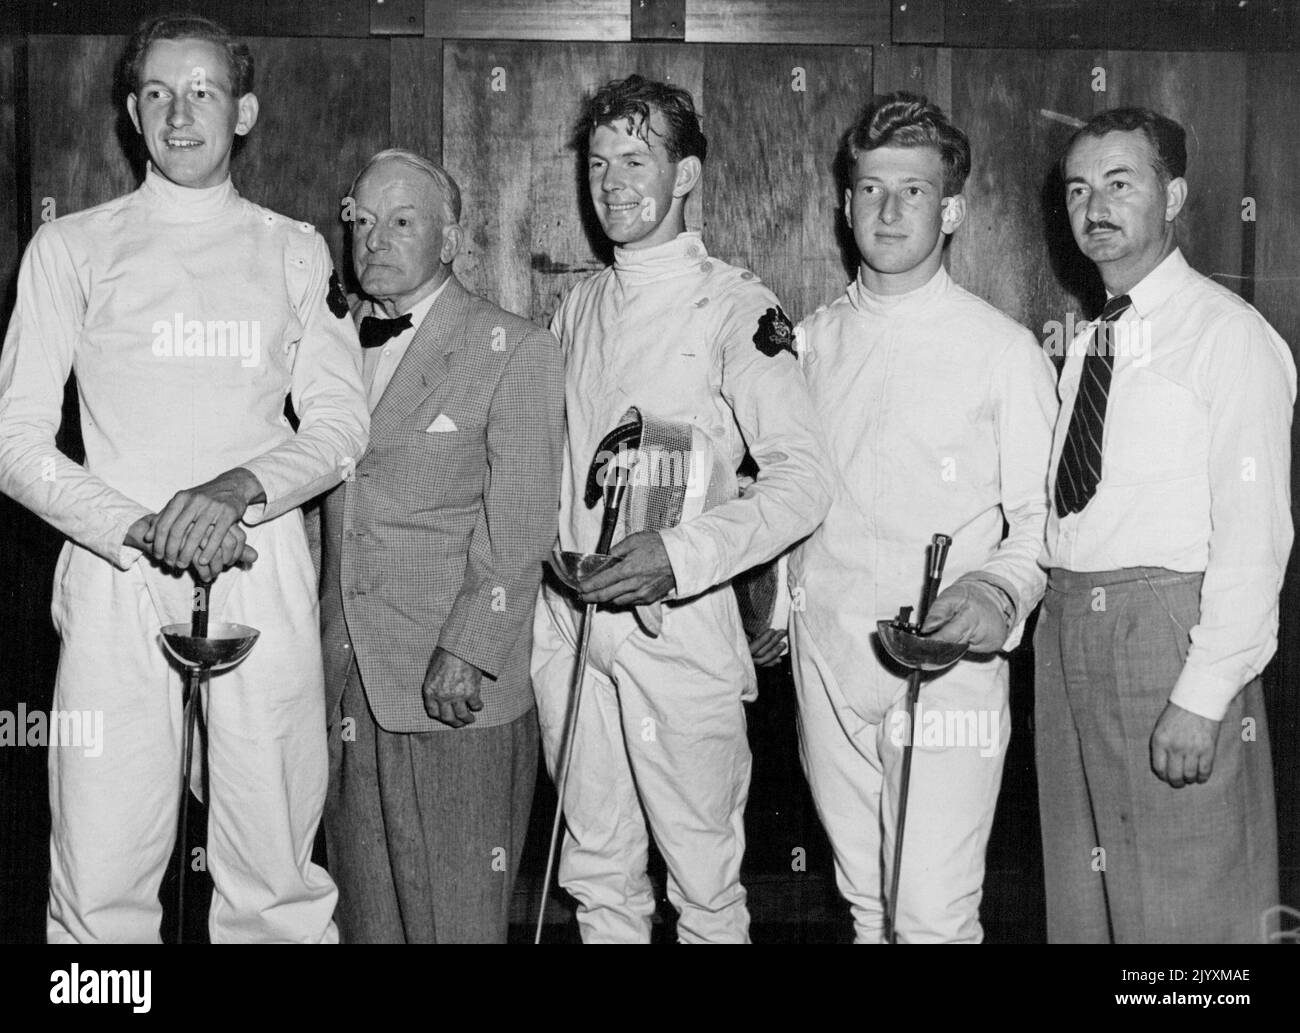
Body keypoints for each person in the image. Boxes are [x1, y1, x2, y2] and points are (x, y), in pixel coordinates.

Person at [0, 14, 369, 943]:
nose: (179, 113)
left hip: (256, 566)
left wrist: (234, 490)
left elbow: (339, 427)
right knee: (100, 864)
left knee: (274, 867)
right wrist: (137, 526)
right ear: (131, 112)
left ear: (242, 111)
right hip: (116, 573)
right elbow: (15, 443)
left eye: (202, 91)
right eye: (158, 93)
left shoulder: (294, 248)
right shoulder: (71, 249)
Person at [530, 74, 833, 944]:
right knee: (598, 878)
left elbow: (803, 480)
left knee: (703, 884)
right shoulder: (577, 304)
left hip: (683, 628)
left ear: (687, 175)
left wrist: (678, 555)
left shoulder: (740, 306)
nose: (614, 181)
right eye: (599, 163)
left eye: (637, 158)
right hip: (573, 628)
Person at [785, 93, 1057, 943]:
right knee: (866, 905)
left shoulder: (1001, 349)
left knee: (932, 916)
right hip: (827, 659)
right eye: (871, 188)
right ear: (844, 203)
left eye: (912, 190)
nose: (889, 209)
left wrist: (996, 595)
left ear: (951, 210)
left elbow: (1041, 518)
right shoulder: (809, 342)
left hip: (947, 669)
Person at [1037, 107, 1293, 943]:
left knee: (1190, 917)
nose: (1094, 205)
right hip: (1070, 625)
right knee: (1088, 901)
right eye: (1079, 188)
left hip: (1168, 637)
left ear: (1173, 194)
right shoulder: (1093, 338)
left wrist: (1206, 690)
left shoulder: (1229, 336)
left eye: (1120, 182)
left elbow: (1256, 536)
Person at [320, 149, 563, 943]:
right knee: (368, 921)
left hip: (448, 685)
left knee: (455, 922)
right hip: (342, 681)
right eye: (364, 221)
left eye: (404, 221)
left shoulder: (513, 348)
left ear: (451, 240)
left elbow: (520, 522)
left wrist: (471, 647)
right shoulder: (322, 348)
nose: (376, 240)